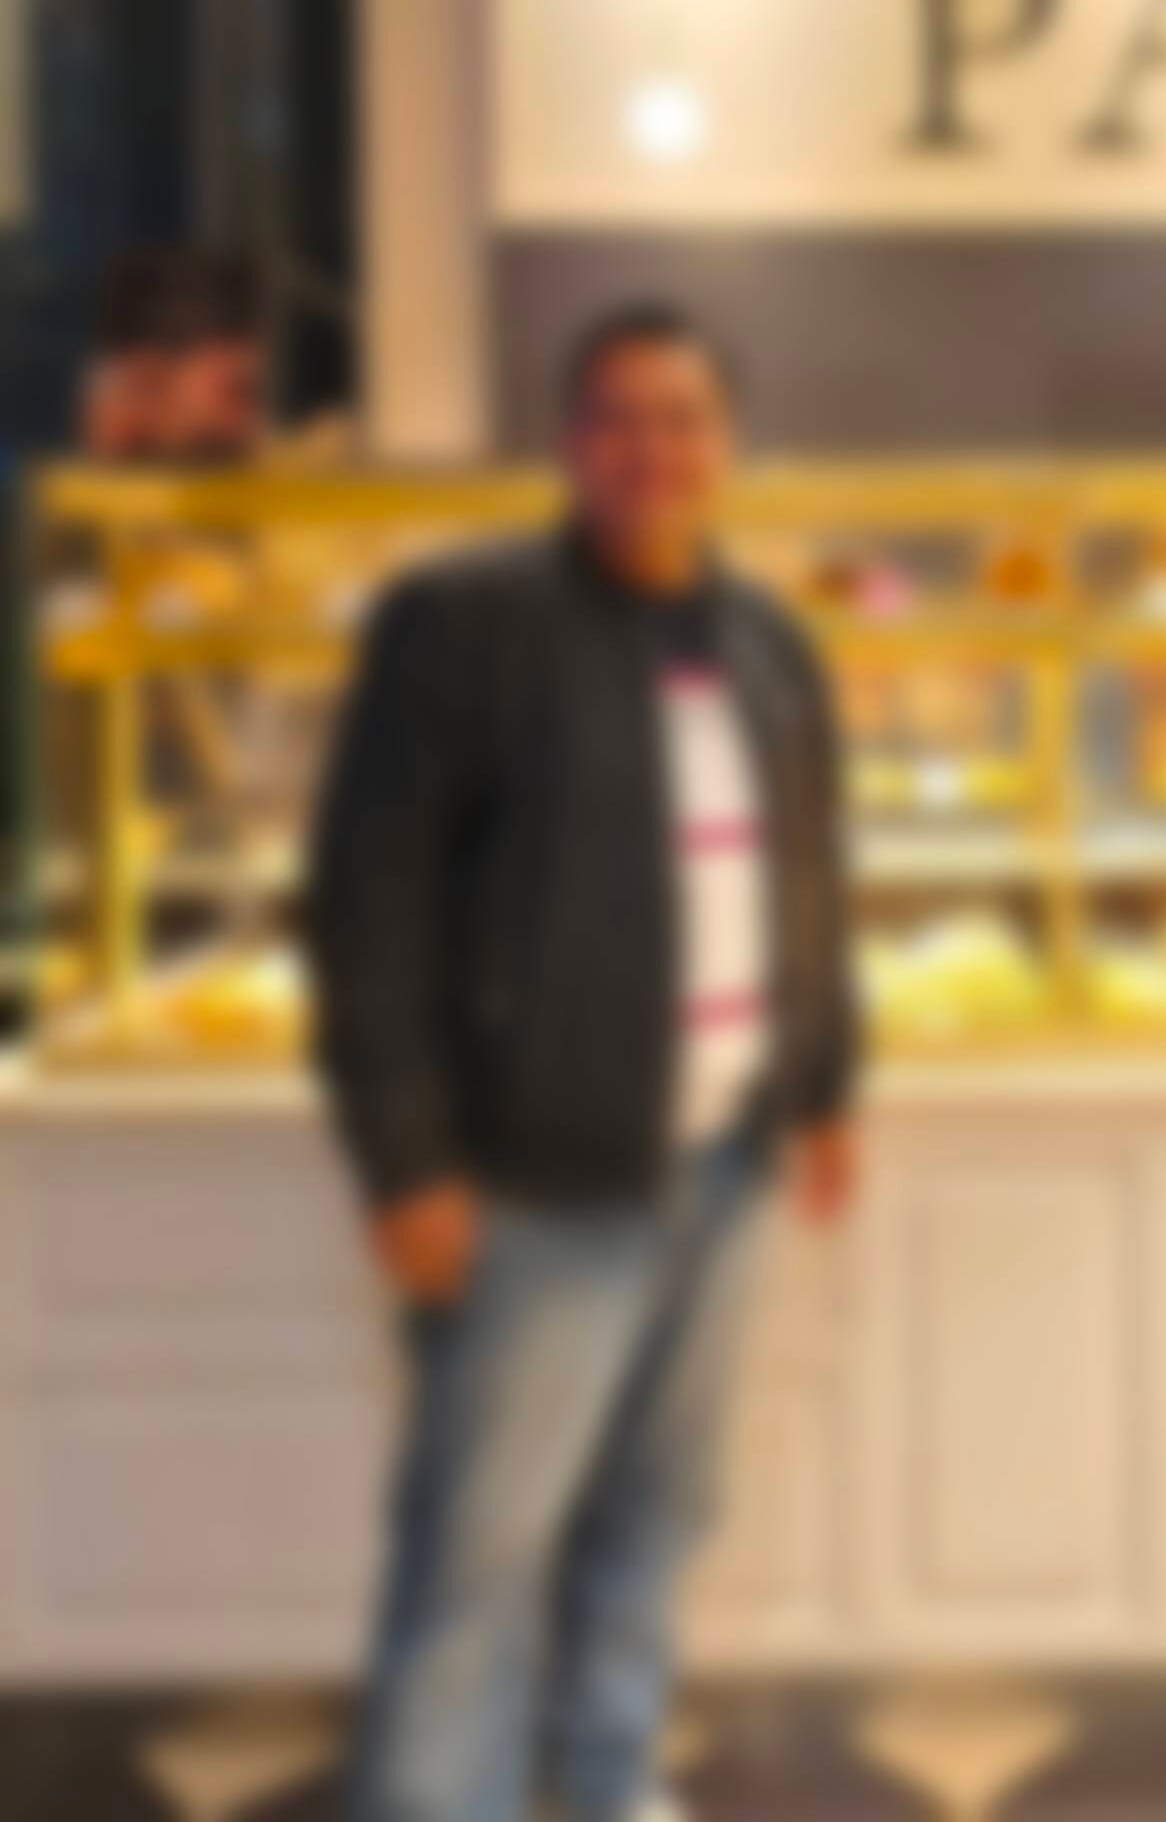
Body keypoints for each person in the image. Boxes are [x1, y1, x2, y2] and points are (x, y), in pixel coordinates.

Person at [309, 302, 860, 1822]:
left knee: (656, 1520)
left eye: (682, 419)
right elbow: (367, 907)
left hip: (722, 1168)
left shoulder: (767, 644)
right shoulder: (461, 622)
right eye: (616, 418)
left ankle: (606, 1785)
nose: (650, 449)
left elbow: (809, 873)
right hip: (531, 1183)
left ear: (726, 445)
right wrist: (407, 1164)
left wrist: (823, 1082)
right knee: (477, 1556)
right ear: (567, 442)